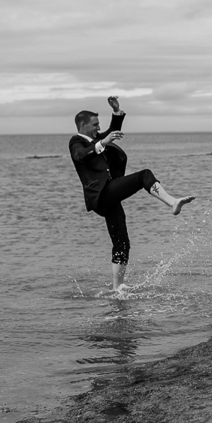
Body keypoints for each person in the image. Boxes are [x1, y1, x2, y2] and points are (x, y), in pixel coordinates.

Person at [69, 96, 195, 293]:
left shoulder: (94, 139)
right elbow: (81, 155)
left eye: (98, 124)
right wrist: (102, 142)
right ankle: (171, 203)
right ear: (83, 125)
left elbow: (111, 133)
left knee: (122, 241)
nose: (98, 127)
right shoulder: (76, 142)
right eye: (95, 124)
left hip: (110, 195)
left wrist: (117, 112)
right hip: (101, 194)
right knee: (143, 176)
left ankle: (117, 288)